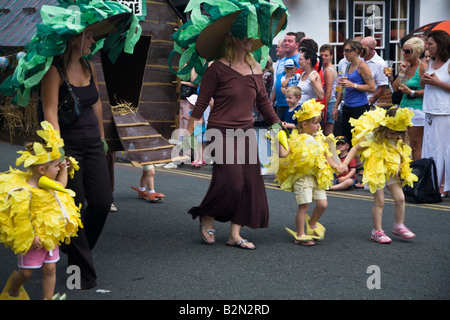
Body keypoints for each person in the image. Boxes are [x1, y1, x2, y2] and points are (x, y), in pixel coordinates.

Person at [172, 0, 287, 250]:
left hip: (245, 132)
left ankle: (235, 233)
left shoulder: (256, 66)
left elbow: (264, 103)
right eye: (244, 35)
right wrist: (188, 136)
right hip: (219, 132)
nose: (249, 40)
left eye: (251, 35)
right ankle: (208, 215)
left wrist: (277, 125)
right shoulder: (217, 69)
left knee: (247, 183)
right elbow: (201, 104)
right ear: (232, 38)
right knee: (232, 181)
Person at [0, 121, 82, 300]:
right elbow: (22, 216)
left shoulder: (50, 184)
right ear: (42, 169)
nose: (58, 168)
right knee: (26, 273)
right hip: (33, 239)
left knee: (50, 268)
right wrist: (31, 236)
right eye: (55, 167)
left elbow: (61, 185)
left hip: (50, 237)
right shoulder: (26, 190)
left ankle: (48, 298)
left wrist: (63, 170)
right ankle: (12, 292)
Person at [341, 107, 418, 243]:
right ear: (384, 127)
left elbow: (400, 154)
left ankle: (399, 225)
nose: (395, 136)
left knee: (400, 198)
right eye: (392, 133)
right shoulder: (373, 136)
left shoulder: (398, 136)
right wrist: (344, 163)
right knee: (380, 201)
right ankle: (377, 231)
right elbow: (356, 148)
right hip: (375, 171)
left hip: (390, 172)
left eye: (398, 134)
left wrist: (402, 170)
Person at [276, 99, 342, 246]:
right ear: (304, 124)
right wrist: (278, 139)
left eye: (319, 122)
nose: (319, 125)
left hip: (318, 176)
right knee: (304, 206)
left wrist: (336, 167)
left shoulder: (320, 139)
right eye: (315, 122)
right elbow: (284, 154)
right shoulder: (296, 138)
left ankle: (312, 224)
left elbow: (326, 156)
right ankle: (300, 234)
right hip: (303, 177)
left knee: (323, 204)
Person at [420, 30, 450, 197]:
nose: (427, 47)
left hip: (445, 111)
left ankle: (444, 186)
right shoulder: (430, 63)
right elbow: (427, 88)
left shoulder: (449, 63)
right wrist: (425, 82)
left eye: (430, 44)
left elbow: (440, 84)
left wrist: (437, 82)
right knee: (430, 148)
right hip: (430, 109)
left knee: (444, 149)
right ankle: (432, 182)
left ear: (441, 45)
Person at [332, 39, 375, 147]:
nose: (344, 53)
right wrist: (335, 106)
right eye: (343, 51)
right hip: (347, 107)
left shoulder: (362, 66)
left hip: (359, 107)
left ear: (355, 51)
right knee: (346, 139)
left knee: (359, 140)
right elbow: (341, 88)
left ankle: (359, 163)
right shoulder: (347, 66)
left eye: (347, 51)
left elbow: (372, 87)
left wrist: (353, 85)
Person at [390, 37, 426, 161]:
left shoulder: (422, 68)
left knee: (415, 146)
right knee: (402, 144)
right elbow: (395, 88)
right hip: (404, 108)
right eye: (403, 50)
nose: (404, 53)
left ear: (416, 52)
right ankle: (405, 173)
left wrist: (411, 92)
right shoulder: (405, 66)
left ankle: (417, 175)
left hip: (418, 110)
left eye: (407, 51)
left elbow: (429, 92)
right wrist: (402, 72)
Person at [272, 32, 301, 117]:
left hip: (293, 104)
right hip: (279, 104)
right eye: (285, 41)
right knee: (280, 129)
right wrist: (272, 101)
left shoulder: (299, 59)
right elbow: (277, 81)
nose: (286, 43)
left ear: (297, 45)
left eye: (290, 41)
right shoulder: (281, 61)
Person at [360, 36, 389, 107]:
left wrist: (369, 103)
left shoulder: (380, 63)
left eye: (363, 48)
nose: (360, 50)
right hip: (354, 101)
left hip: (367, 102)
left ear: (372, 49)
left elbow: (382, 87)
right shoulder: (358, 58)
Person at [320, 44, 338, 135]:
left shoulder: (328, 70)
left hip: (329, 103)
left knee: (328, 135)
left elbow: (329, 91)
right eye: (322, 55)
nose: (323, 57)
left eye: (326, 55)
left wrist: (323, 108)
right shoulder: (324, 68)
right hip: (328, 102)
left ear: (331, 56)